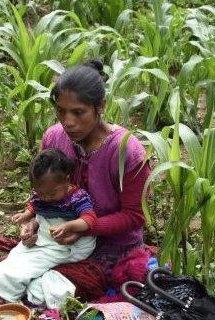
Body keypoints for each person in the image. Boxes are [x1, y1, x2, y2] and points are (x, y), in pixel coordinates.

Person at [36, 59, 152, 299]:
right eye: (61, 111)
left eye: (79, 112)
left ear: (101, 106)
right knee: (23, 274)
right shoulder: (54, 138)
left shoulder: (126, 152)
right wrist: (34, 223)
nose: (68, 121)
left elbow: (134, 215)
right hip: (62, 235)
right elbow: (42, 189)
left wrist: (84, 228)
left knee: (61, 289)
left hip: (114, 246)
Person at [0, 148, 96, 309]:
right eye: (41, 193)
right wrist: (26, 217)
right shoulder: (42, 194)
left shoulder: (77, 198)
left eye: (52, 194)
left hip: (71, 244)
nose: (46, 198)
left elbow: (89, 220)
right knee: (17, 254)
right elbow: (36, 208)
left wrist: (70, 225)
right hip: (48, 237)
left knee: (32, 263)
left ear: (67, 179)